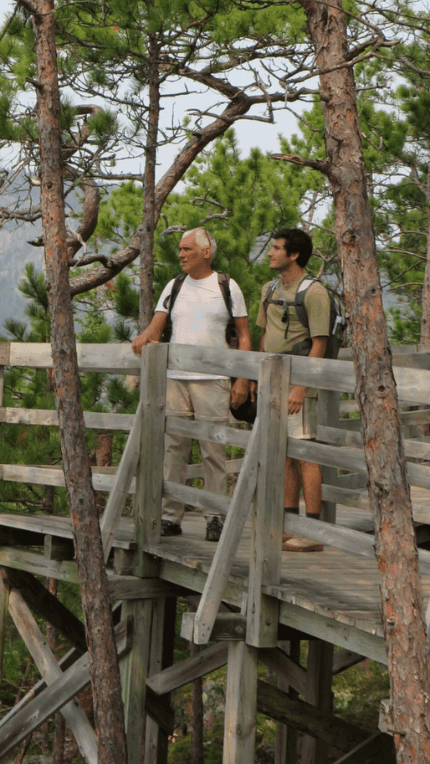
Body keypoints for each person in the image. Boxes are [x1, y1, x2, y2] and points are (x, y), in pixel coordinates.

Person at [132, 228, 252, 541]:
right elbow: (156, 329)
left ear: (206, 251)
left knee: (213, 451)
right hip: (175, 380)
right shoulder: (175, 286)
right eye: (180, 249)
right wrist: (144, 338)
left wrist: (242, 377)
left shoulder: (227, 286)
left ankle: (215, 517)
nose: (181, 254)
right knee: (174, 451)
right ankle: (171, 516)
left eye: (187, 249)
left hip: (213, 381)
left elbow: (245, 335)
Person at [256, 227, 330, 553]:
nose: (270, 252)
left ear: (294, 254)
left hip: (299, 385)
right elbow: (264, 338)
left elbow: (320, 344)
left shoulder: (314, 293)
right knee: (285, 458)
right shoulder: (268, 290)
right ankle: (288, 527)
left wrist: (300, 388)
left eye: (276, 248)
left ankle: (312, 531)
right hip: (273, 385)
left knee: (306, 456)